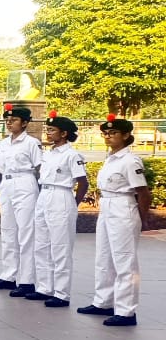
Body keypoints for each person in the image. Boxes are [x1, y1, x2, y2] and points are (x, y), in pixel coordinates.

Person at [77, 115, 151, 326]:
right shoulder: (111, 158)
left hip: (123, 207)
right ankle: (104, 302)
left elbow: (143, 193)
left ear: (126, 135)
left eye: (114, 133)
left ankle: (126, 311)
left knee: (124, 260)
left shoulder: (130, 160)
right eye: (106, 134)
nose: (108, 137)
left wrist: (141, 219)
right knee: (104, 257)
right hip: (108, 205)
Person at [26, 111, 88, 307]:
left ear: (64, 133)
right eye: (48, 129)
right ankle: (44, 287)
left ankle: (61, 293)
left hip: (62, 196)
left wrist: (72, 204)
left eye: (52, 130)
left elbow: (83, 183)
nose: (48, 133)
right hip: (45, 195)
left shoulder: (72, 155)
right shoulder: (48, 153)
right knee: (41, 244)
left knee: (60, 247)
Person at [0, 104, 42, 295]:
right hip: (7, 184)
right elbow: (0, 169)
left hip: (25, 182)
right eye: (7, 120)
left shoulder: (32, 143)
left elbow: (40, 169)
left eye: (14, 120)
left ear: (24, 123)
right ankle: (9, 275)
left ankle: (26, 280)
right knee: (8, 231)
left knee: (26, 233)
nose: (9, 123)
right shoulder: (3, 143)